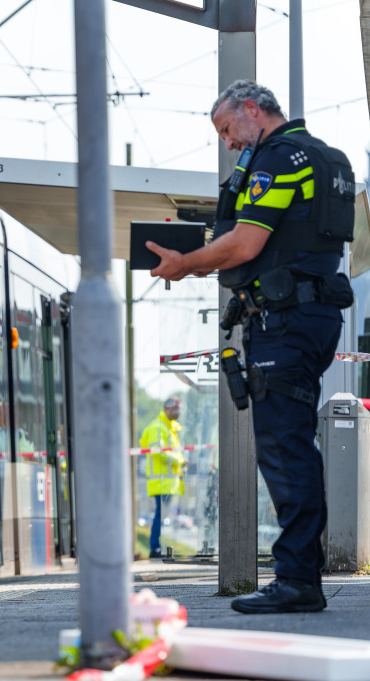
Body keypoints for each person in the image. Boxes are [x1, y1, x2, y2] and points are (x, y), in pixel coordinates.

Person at [147, 80, 354, 614]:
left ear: (251, 109)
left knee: (285, 448)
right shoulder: (327, 157)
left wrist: (183, 264)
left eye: (226, 130)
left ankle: (297, 581)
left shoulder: (281, 157)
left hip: (287, 323)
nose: (228, 143)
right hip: (307, 314)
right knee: (290, 444)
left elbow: (246, 242)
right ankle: (298, 575)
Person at [139, 396, 185, 559]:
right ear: (167, 408)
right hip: (160, 482)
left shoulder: (168, 428)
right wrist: (179, 460)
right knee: (160, 514)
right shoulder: (158, 427)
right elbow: (158, 451)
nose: (178, 412)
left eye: (179, 408)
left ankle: (157, 547)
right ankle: (155, 548)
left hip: (166, 482)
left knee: (162, 514)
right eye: (175, 409)